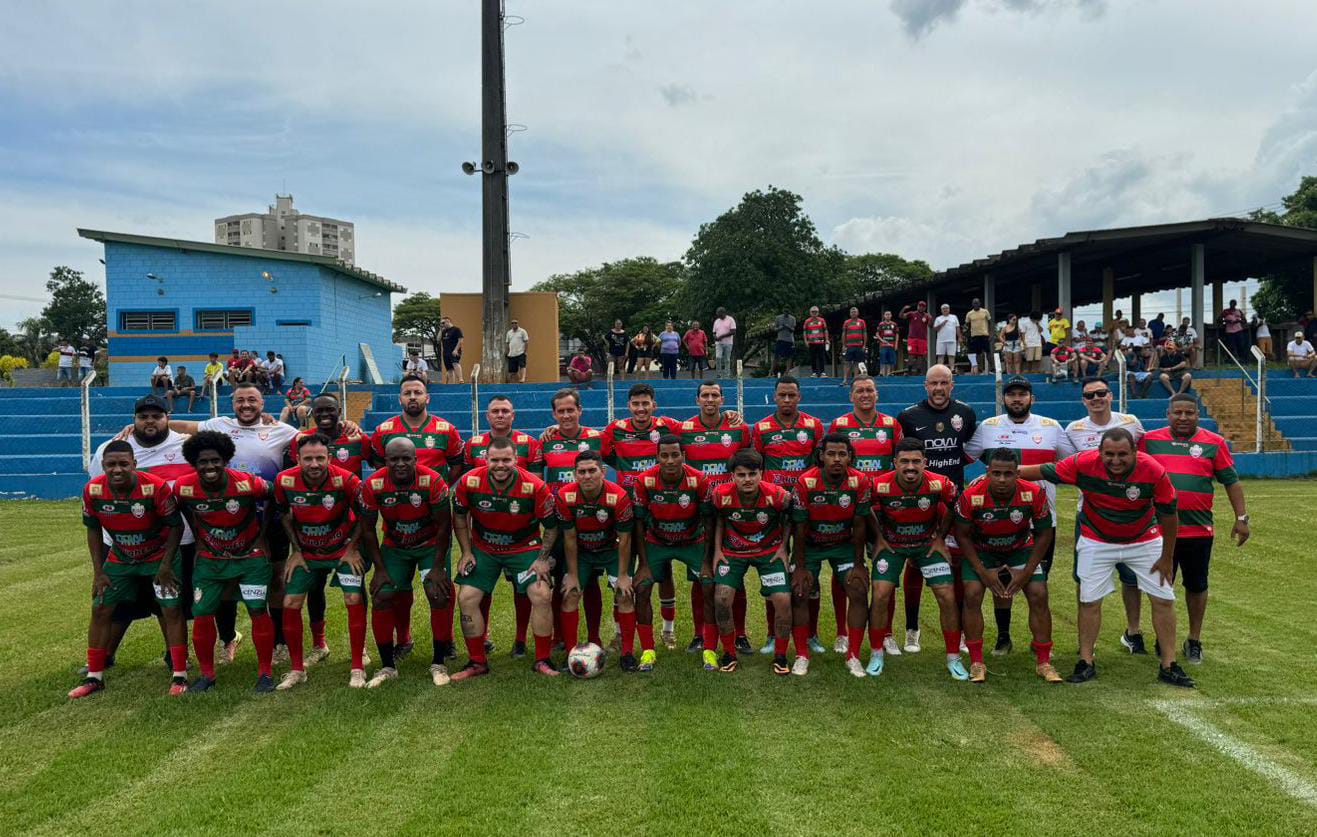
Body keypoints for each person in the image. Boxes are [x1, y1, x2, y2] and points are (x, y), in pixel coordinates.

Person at [1020, 428, 1196, 688]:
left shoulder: (1153, 470)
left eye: (1122, 454)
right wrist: (1001, 473)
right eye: (1109, 454)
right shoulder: (1083, 463)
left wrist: (1167, 557)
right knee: (1089, 600)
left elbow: (1170, 516)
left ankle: (1169, 664)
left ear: (1135, 452)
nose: (1115, 460)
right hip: (1096, 539)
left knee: (1163, 598)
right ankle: (1085, 661)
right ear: (1099, 452)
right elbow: (1043, 471)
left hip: (1144, 539)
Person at [70, 441, 188, 699]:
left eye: (123, 464)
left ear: (134, 464)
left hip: (158, 557)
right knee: (100, 607)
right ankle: (95, 677)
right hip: (121, 558)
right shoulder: (92, 490)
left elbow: (175, 526)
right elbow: (92, 528)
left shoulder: (154, 487)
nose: (117, 469)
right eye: (111, 464)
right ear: (103, 466)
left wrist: (166, 565)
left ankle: (180, 675)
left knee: (171, 609)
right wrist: (98, 572)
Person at [1138, 395, 1249, 664]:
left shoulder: (1214, 443)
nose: (1183, 417)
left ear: (1198, 415)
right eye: (1178, 412)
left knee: (1197, 586)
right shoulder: (1149, 441)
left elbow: (1231, 482)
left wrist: (1242, 518)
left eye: (1189, 413)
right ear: (1168, 414)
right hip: (1159, 533)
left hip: (1198, 530)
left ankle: (1194, 640)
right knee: (1161, 586)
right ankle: (1163, 639)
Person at [964, 376, 1066, 656]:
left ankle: (1040, 642)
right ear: (1004, 399)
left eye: (1022, 394)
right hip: (1000, 517)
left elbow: (1071, 463)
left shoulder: (1051, 427)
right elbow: (966, 456)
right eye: (1011, 395)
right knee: (1003, 581)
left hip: (1043, 517)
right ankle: (1003, 637)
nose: (1017, 399)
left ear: (1031, 398)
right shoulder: (989, 427)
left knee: (1036, 583)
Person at [174, 431, 278, 693]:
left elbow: (274, 496)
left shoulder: (246, 483)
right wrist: (200, 538)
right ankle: (207, 675)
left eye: (215, 460)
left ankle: (265, 673)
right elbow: (185, 509)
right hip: (210, 560)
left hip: (250, 558)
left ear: (226, 460)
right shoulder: (183, 487)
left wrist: (261, 536)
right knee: (202, 614)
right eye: (203, 462)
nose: (210, 466)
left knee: (257, 610)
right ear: (194, 464)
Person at [451, 437, 558, 680]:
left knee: (541, 594)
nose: (501, 465)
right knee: (467, 597)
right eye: (495, 460)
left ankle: (542, 659)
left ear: (516, 460)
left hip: (524, 548)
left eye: (506, 460)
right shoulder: (470, 481)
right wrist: (467, 551)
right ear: (486, 460)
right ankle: (477, 662)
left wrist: (542, 559)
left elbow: (551, 527)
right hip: (485, 548)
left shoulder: (535, 485)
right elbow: (458, 516)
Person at [953, 448, 1061, 683]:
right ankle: (976, 662)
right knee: (971, 595)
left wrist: (1026, 572)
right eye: (996, 473)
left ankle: (1044, 662)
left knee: (1038, 594)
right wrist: (983, 572)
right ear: (988, 472)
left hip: (1019, 549)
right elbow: (962, 535)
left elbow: (1044, 534)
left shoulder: (1034, 493)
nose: (1002, 479)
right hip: (983, 551)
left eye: (1008, 474)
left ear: (1018, 474)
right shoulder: (971, 495)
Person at [272, 433, 367, 690]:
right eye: (308, 459)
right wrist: (296, 550)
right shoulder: (284, 480)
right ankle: (296, 669)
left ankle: (358, 666)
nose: (314, 464)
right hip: (307, 553)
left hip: (341, 550)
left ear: (330, 458)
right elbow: (283, 515)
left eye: (320, 458)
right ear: (297, 459)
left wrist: (352, 548)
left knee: (353, 598)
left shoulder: (347, 480)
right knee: (290, 601)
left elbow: (365, 515)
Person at [866, 439, 965, 680]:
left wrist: (941, 537)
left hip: (926, 546)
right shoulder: (878, 485)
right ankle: (876, 652)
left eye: (916, 461)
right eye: (904, 461)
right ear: (895, 463)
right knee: (880, 594)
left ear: (925, 463)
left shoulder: (940, 483)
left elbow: (956, 507)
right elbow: (864, 509)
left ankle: (953, 657)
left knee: (947, 594)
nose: (910, 467)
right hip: (893, 546)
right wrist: (878, 538)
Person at [358, 437, 454, 687]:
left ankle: (439, 662)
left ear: (415, 459)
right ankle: (388, 666)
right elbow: (368, 530)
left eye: (406, 459)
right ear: (385, 460)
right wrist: (379, 570)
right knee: (382, 594)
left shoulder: (432, 480)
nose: (400, 464)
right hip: (395, 547)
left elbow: (445, 526)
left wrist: (437, 566)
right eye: (394, 459)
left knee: (439, 593)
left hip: (429, 545)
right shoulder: (374, 483)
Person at [896, 365, 977, 653]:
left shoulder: (965, 414)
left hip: (953, 501)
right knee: (915, 562)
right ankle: (911, 629)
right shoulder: (908, 416)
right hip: (919, 501)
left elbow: (966, 449)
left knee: (956, 564)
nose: (939, 388)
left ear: (952, 385)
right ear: (925, 386)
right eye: (934, 383)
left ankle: (964, 633)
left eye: (944, 383)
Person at [1062, 377, 1147, 653]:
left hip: (1131, 513)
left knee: (1132, 577)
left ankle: (1133, 632)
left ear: (1111, 395)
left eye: (1101, 393)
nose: (1096, 399)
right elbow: (1068, 467)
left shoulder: (1131, 422)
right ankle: (1086, 639)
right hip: (1089, 514)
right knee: (1085, 580)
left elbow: (1143, 460)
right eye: (1089, 395)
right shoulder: (1073, 429)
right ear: (1083, 401)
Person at [675, 381, 753, 653]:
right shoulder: (683, 430)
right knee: (702, 576)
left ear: (723, 399)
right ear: (697, 400)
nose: (710, 399)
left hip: (733, 510)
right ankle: (699, 634)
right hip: (699, 512)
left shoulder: (739, 429)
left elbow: (749, 465)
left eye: (715, 395)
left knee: (736, 575)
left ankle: (740, 634)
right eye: (705, 395)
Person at [828, 375, 902, 655]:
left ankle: (887, 633)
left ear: (877, 394)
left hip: (884, 509)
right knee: (844, 571)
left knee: (887, 571)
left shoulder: (891, 425)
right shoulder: (840, 425)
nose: (865, 394)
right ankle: (841, 633)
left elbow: (899, 463)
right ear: (851, 396)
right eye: (859, 390)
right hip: (850, 509)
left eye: (870, 390)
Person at [706, 449, 794, 675]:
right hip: (732, 552)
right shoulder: (720, 495)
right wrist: (717, 550)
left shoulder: (778, 495)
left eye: (752, 474)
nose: (747, 479)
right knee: (722, 598)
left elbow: (791, 516)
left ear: (761, 473)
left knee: (783, 600)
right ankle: (728, 652)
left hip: (769, 551)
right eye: (741, 474)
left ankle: (781, 655)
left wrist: (784, 547)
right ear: (732, 476)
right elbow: (717, 519)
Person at [789, 433, 871, 677]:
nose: (837, 459)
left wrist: (858, 564)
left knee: (858, 588)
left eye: (842, 454)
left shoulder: (860, 481)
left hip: (843, 545)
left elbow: (859, 525)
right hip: (811, 544)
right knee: (800, 590)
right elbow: (799, 528)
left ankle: (853, 655)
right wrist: (801, 566)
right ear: (821, 456)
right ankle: (802, 654)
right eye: (831, 454)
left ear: (850, 457)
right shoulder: (806, 482)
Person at [633, 437, 712, 669]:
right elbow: (638, 523)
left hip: (692, 541)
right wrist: (644, 564)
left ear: (683, 456)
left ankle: (708, 648)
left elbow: (709, 522)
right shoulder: (644, 480)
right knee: (643, 586)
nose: (670, 460)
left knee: (709, 585)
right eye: (664, 455)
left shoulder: (699, 480)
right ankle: (647, 650)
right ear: (657, 457)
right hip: (657, 541)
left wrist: (707, 561)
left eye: (674, 455)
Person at [539, 389, 606, 651]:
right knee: (560, 580)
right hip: (558, 521)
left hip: (591, 521)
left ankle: (594, 637)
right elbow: (535, 479)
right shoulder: (545, 441)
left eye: (571, 410)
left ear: (580, 410)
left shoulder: (598, 439)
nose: (566, 415)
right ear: (554, 414)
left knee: (589, 581)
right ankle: (559, 638)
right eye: (561, 411)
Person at [558, 451, 638, 670]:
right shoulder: (565, 496)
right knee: (570, 593)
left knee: (624, 594)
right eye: (581, 472)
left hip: (612, 550)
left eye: (592, 471)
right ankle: (571, 654)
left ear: (603, 472)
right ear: (575, 475)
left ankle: (627, 653)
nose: (587, 476)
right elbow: (570, 537)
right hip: (582, 552)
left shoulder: (619, 496)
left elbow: (624, 539)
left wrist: (622, 576)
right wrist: (573, 575)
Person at [900, 301, 932, 375]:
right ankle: (909, 370)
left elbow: (930, 326)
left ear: (925, 308)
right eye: (920, 306)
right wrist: (903, 309)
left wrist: (930, 319)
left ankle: (918, 370)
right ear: (917, 306)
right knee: (911, 354)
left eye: (923, 306)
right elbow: (901, 316)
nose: (921, 307)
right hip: (912, 338)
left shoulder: (927, 316)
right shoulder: (912, 313)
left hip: (922, 338)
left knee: (921, 355)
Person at [839, 307, 867, 386]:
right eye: (852, 312)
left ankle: (855, 380)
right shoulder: (846, 322)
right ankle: (845, 379)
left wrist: (864, 344)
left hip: (859, 345)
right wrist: (844, 345)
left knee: (857, 363)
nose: (853, 313)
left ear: (858, 313)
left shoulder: (862, 322)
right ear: (850, 314)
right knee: (847, 363)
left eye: (855, 312)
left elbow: (864, 333)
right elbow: (844, 334)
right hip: (849, 346)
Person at [964, 298, 992, 374]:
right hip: (974, 336)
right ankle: (979, 370)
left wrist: (991, 334)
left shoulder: (985, 311)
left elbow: (990, 323)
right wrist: (967, 337)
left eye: (977, 303)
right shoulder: (969, 314)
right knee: (978, 354)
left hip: (984, 335)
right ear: (972, 304)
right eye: (974, 303)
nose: (976, 304)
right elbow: (967, 326)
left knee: (988, 352)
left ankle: (992, 369)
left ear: (980, 303)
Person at [803, 306, 829, 378]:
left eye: (816, 312)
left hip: (820, 341)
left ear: (818, 312)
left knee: (821, 357)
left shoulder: (822, 320)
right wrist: (806, 341)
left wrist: (827, 339)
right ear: (810, 313)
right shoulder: (807, 321)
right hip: (811, 342)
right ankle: (814, 372)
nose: (814, 313)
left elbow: (825, 330)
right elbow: (805, 332)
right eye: (813, 312)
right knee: (813, 357)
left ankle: (822, 372)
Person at [933, 304, 960, 368]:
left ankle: (952, 370)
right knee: (940, 356)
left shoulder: (954, 317)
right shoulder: (938, 318)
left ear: (949, 309)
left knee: (951, 355)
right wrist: (942, 324)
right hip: (941, 340)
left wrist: (959, 337)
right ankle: (939, 370)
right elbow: (935, 329)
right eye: (943, 308)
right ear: (941, 310)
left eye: (947, 308)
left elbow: (957, 327)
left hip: (952, 339)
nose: (945, 309)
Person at [440, 316, 465, 384]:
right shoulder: (443, 331)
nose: (442, 325)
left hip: (454, 350)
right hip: (446, 352)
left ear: (448, 321)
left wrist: (456, 349)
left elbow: (460, 340)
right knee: (449, 369)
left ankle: (460, 379)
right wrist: (440, 330)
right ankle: (452, 384)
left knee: (455, 363)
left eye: (443, 323)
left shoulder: (456, 329)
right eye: (441, 323)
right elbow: (438, 339)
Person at [713, 307, 737, 377]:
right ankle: (719, 374)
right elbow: (714, 332)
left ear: (724, 313)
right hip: (719, 343)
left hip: (728, 343)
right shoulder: (716, 321)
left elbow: (733, 331)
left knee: (727, 359)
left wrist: (722, 336)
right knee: (718, 357)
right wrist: (715, 337)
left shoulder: (730, 319)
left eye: (720, 314)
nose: (719, 316)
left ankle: (727, 375)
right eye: (718, 315)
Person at [771, 310, 797, 376]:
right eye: (785, 311)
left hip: (789, 340)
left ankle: (787, 372)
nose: (786, 313)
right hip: (780, 339)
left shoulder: (793, 318)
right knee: (776, 356)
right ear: (783, 311)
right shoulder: (778, 318)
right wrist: (781, 327)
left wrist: (788, 327)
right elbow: (774, 329)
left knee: (789, 356)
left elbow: (793, 330)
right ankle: (772, 372)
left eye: (787, 311)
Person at [875, 310, 900, 377]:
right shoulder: (881, 324)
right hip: (883, 345)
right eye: (886, 314)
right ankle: (882, 372)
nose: (888, 315)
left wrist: (896, 344)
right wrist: (882, 340)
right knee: (883, 359)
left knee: (891, 360)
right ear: (884, 316)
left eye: (889, 314)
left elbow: (897, 334)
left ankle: (890, 373)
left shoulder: (894, 324)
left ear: (891, 315)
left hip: (892, 345)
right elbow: (877, 334)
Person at [505, 318, 530, 383]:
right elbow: (507, 343)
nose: (514, 324)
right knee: (513, 371)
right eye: (512, 323)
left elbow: (526, 341)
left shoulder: (522, 331)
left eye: (515, 323)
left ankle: (523, 378)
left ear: (518, 323)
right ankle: (519, 381)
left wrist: (525, 351)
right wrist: (507, 352)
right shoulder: (509, 333)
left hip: (520, 352)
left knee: (522, 366)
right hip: (512, 354)